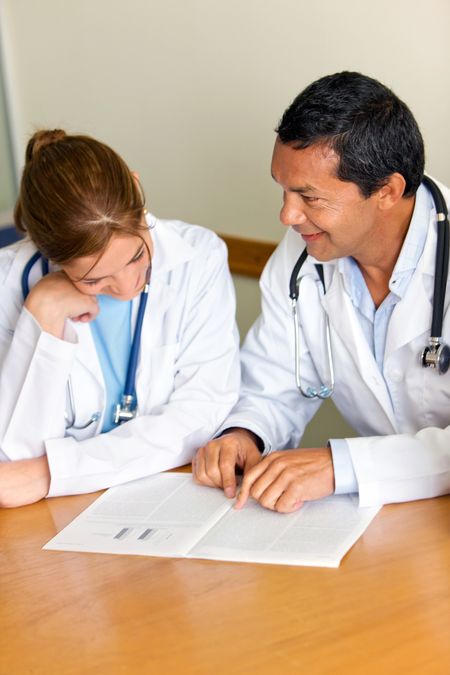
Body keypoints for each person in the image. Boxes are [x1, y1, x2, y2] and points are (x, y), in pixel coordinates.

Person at [193, 71, 450, 512]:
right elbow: (273, 379)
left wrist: (342, 466)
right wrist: (245, 434)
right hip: (390, 517)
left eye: (309, 198)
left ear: (387, 191)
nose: (287, 216)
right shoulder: (304, 255)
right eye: (284, 190)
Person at [0, 130, 240, 507]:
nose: (128, 286)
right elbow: (13, 460)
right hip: (58, 516)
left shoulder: (199, 257)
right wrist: (42, 316)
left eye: (135, 257)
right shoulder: (7, 281)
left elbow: (201, 413)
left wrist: (54, 473)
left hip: (167, 496)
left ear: (135, 185)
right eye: (94, 279)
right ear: (47, 252)